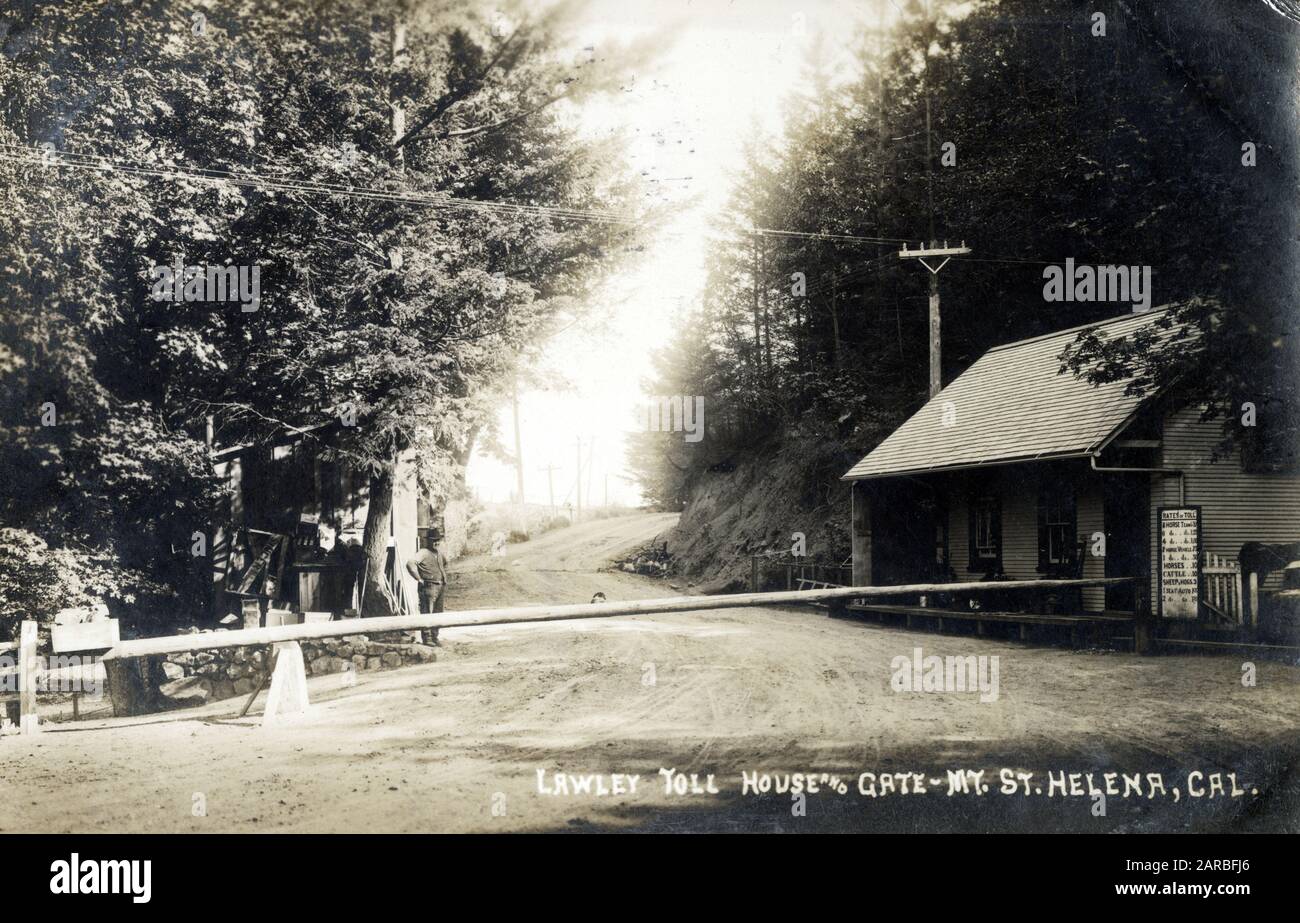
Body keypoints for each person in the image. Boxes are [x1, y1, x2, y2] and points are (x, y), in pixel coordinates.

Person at [405, 532, 449, 645]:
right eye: (433, 540)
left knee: (438, 613)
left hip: (440, 586)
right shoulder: (423, 552)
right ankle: (427, 638)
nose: (436, 542)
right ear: (428, 541)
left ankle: (435, 637)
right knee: (427, 612)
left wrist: (443, 576)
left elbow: (445, 564)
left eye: (438, 540)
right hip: (428, 587)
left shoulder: (439, 553)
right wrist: (419, 579)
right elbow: (410, 563)